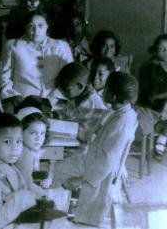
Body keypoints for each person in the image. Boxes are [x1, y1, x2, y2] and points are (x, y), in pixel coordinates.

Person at [52, 71, 139, 227]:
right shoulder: (126, 113)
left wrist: (80, 180)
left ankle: (55, 216)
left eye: (106, 88)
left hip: (97, 174)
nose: (103, 91)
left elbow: (107, 161)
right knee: (61, 166)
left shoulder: (121, 124)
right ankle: (62, 209)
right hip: (94, 162)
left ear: (112, 96)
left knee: (54, 173)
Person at [1, 11, 73, 113]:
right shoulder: (13, 46)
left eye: (40, 25)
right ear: (25, 27)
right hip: (21, 104)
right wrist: (15, 98)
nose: (36, 30)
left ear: (47, 26)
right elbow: (4, 77)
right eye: (31, 26)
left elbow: (68, 79)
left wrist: (52, 100)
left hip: (54, 105)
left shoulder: (61, 47)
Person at [53, 62, 108, 143]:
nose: (63, 93)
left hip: (84, 151)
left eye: (66, 90)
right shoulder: (75, 96)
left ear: (80, 86)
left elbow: (90, 137)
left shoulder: (96, 105)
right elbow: (64, 114)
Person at [138, 34, 167, 158]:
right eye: (163, 49)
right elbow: (150, 95)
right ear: (155, 50)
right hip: (150, 106)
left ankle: (163, 136)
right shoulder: (149, 67)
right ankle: (163, 138)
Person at [15, 112, 51, 191]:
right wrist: (42, 192)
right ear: (21, 131)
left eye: (42, 133)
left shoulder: (24, 148)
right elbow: (25, 185)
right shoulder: (25, 153)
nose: (38, 138)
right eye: (33, 133)